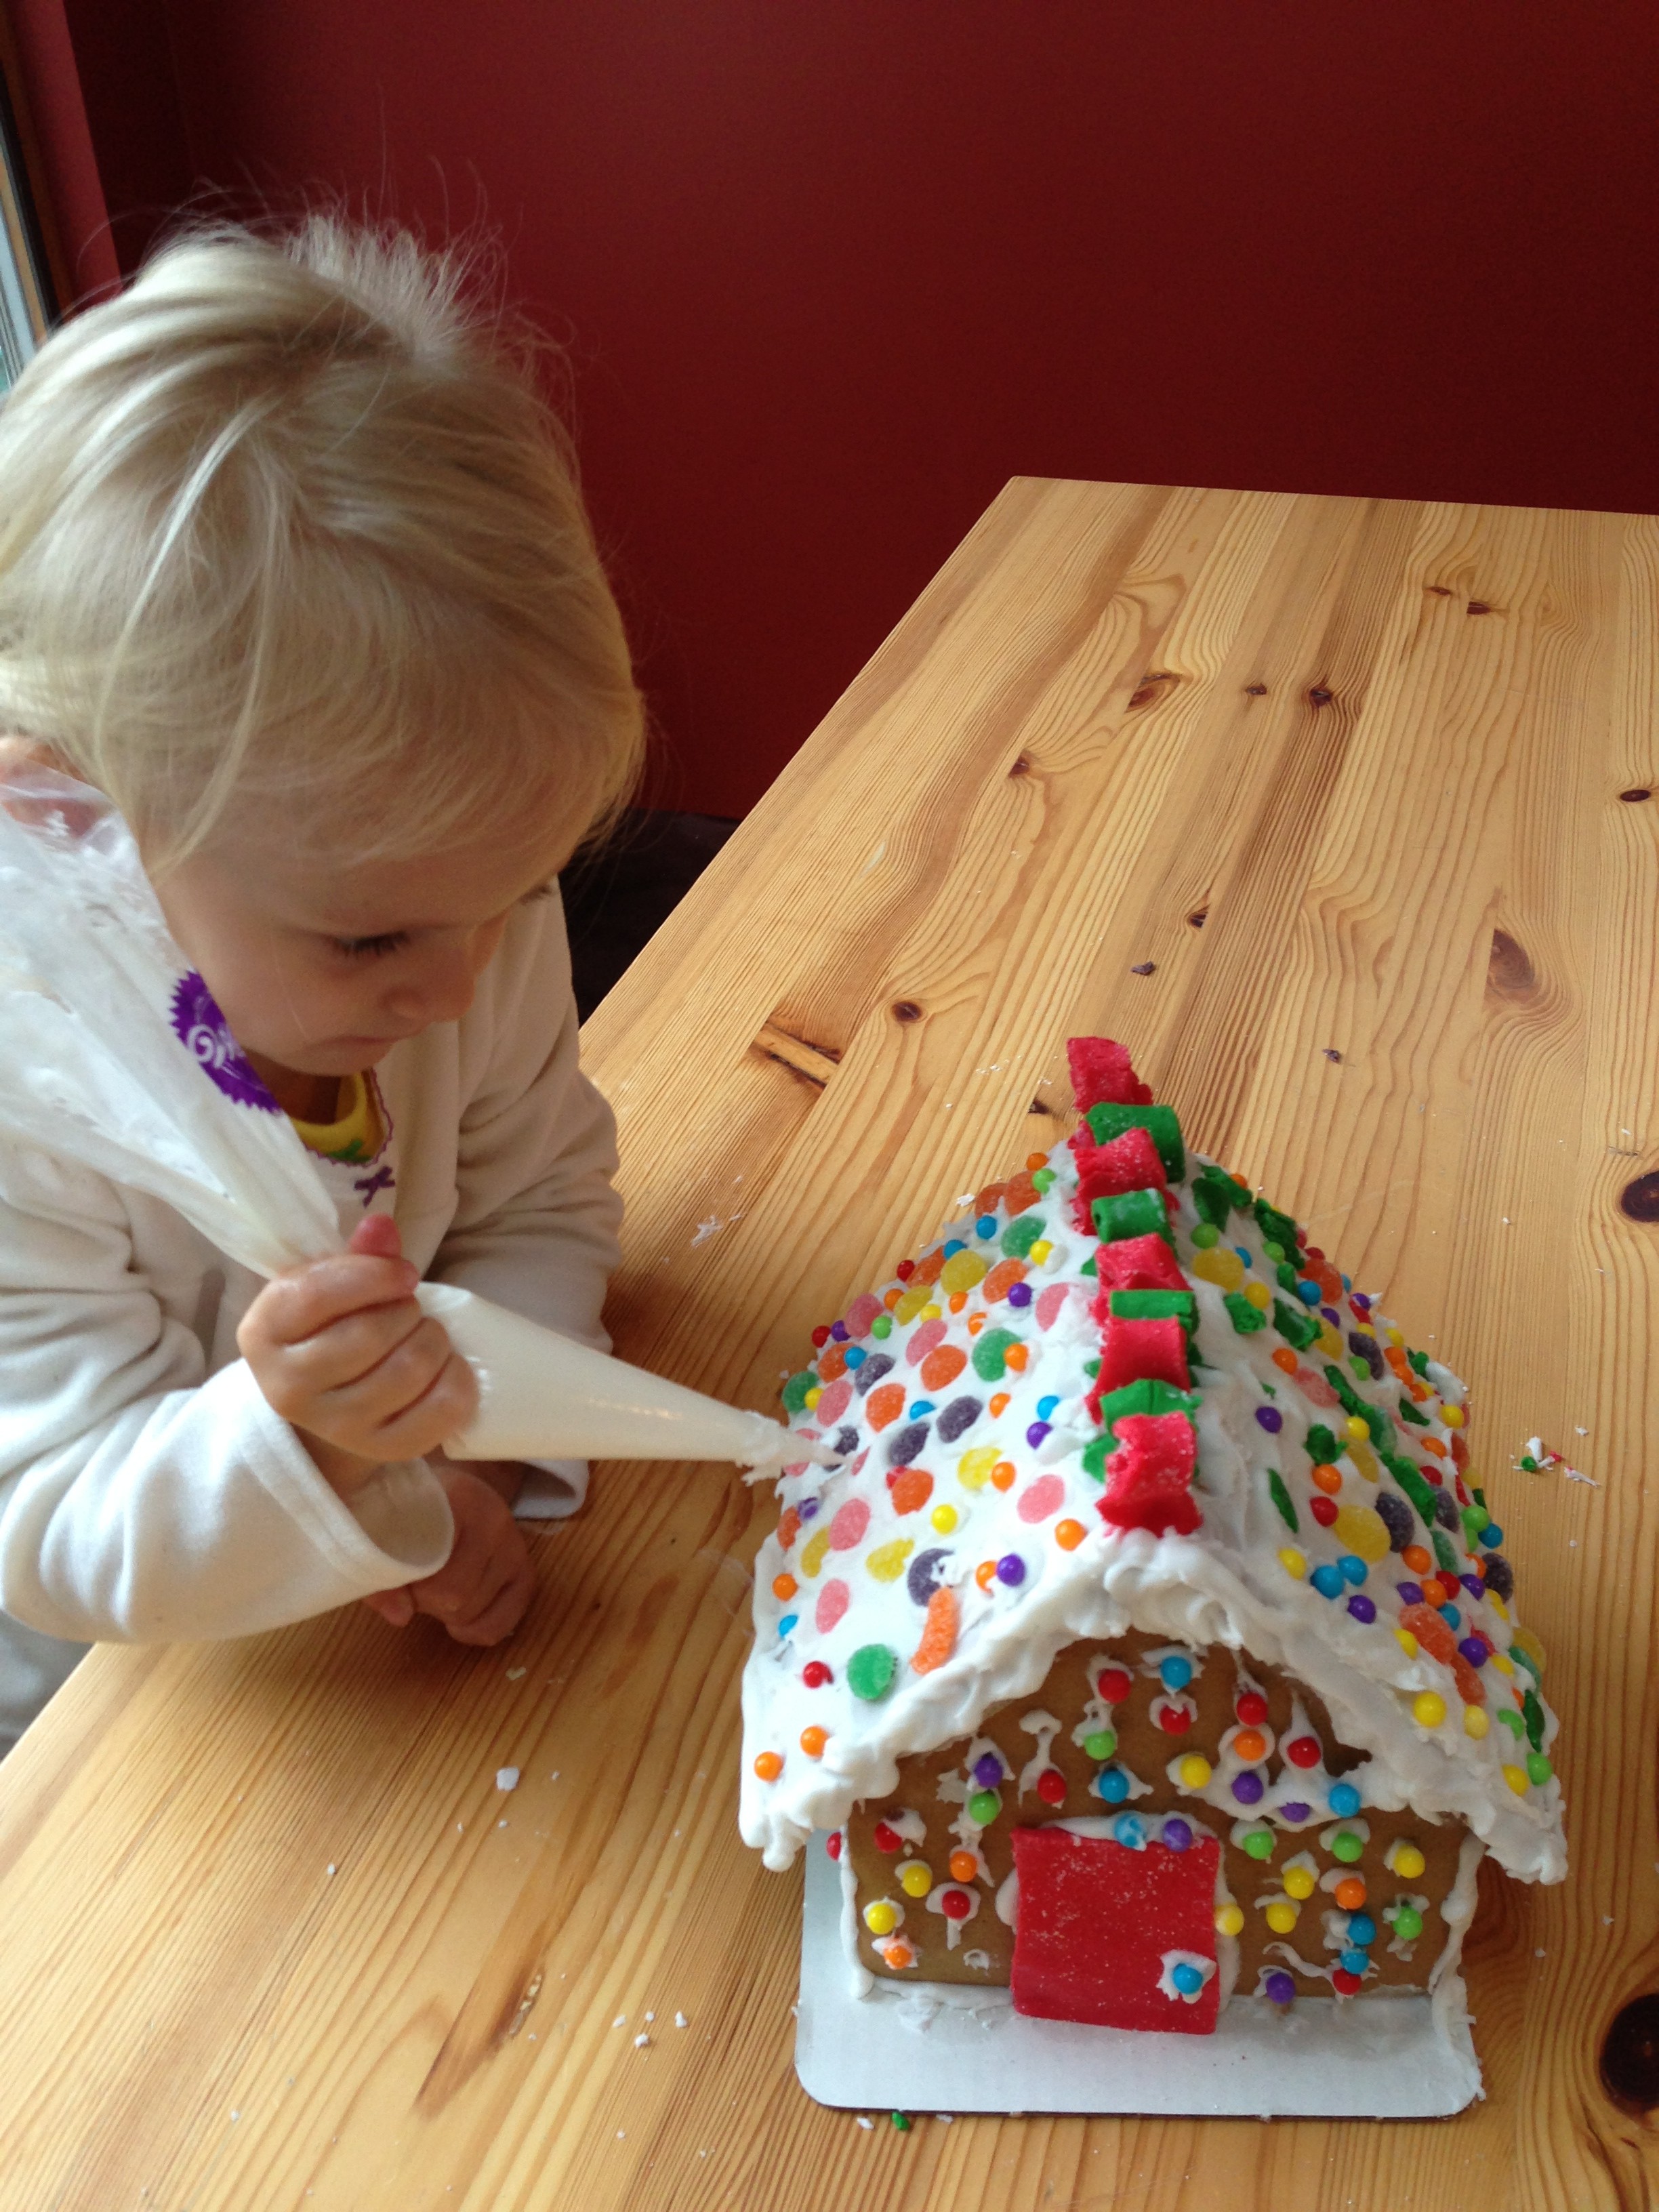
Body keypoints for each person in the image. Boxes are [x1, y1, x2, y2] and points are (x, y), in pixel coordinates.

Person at [0, 217, 644, 1754]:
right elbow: (54, 1518)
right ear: (72, 812)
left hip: (370, 1676)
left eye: (507, 899)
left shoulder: (438, 900)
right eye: (370, 942)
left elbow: (536, 1204)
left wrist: (468, 1464)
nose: (459, 985)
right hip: (113, 1719)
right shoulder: (33, 1077)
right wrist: (298, 1438)